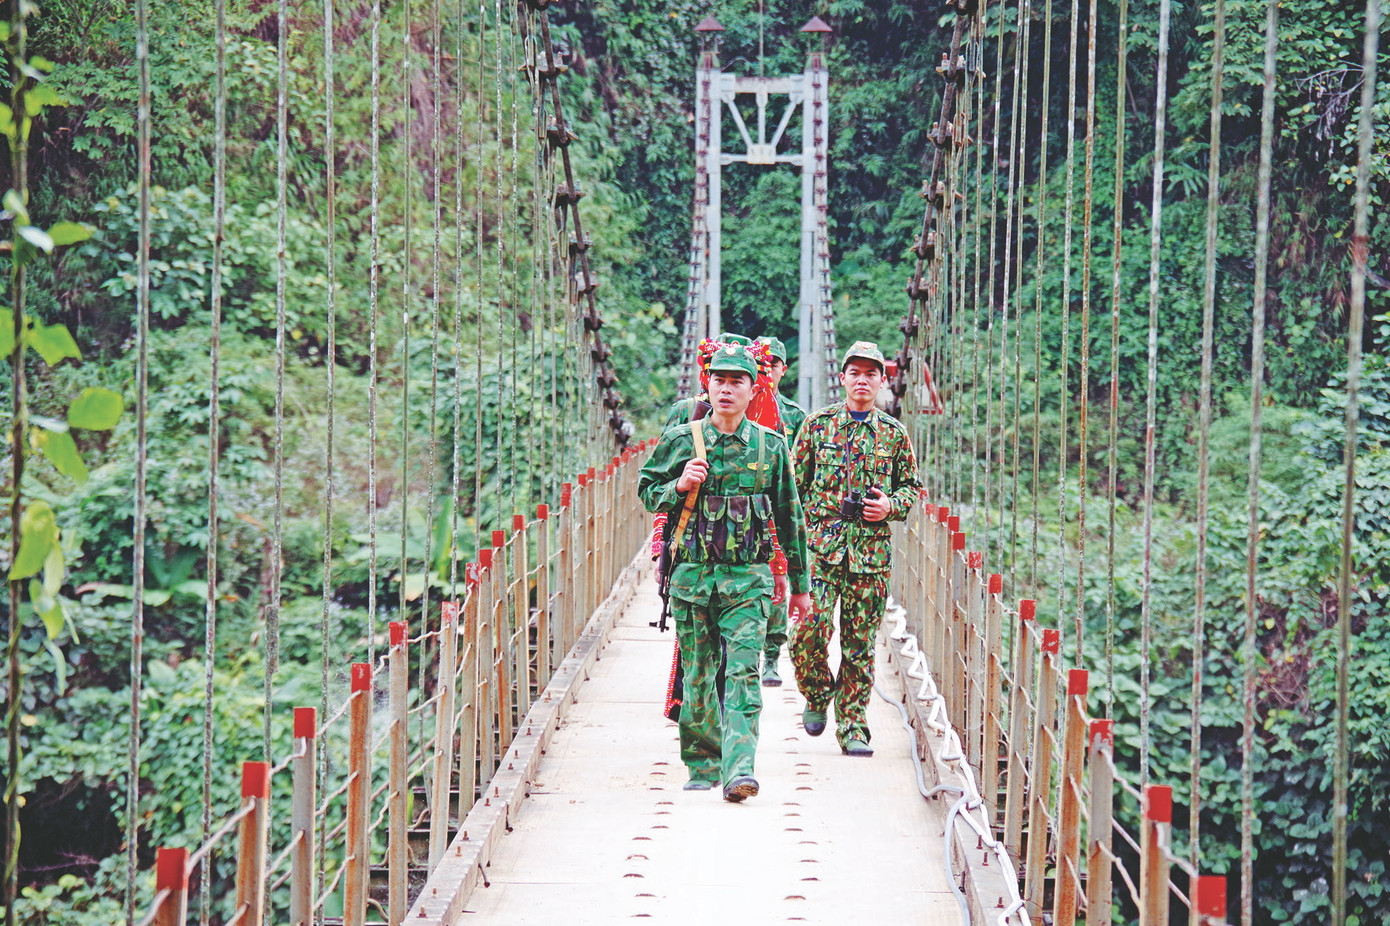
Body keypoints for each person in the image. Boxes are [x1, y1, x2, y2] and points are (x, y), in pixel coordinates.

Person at [639, 343, 812, 802]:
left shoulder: (770, 447)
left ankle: (740, 769)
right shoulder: (682, 439)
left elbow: (789, 517)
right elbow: (645, 487)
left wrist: (799, 586)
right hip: (693, 579)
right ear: (708, 385)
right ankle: (702, 762)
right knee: (698, 672)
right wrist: (678, 485)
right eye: (720, 380)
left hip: (748, 581)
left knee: (743, 674)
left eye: (738, 381)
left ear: (754, 388)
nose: (727, 389)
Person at [789, 341, 921, 757]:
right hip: (821, 551)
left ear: (883, 381)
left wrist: (890, 506)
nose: (862, 380)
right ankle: (816, 691)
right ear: (843, 378)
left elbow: (911, 489)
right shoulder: (817, 425)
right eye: (855, 373)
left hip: (870, 557)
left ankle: (853, 725)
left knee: (859, 645)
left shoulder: (894, 434)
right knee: (808, 633)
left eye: (871, 374)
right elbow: (793, 487)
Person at [753, 336, 807, 688]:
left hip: (778, 509)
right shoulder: (739, 403)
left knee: (777, 586)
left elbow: (800, 473)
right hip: (742, 508)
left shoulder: (795, 416)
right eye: (761, 363)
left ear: (783, 370)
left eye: (773, 365)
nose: (767, 370)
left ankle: (771, 657)